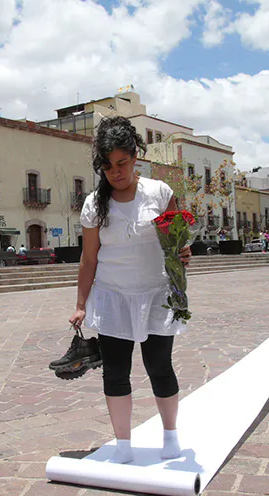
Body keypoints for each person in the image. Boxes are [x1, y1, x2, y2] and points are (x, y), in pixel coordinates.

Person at [69, 116, 192, 464]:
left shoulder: (159, 193)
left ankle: (170, 435)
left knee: (159, 366)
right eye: (108, 166)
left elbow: (175, 244)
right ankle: (123, 445)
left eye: (122, 163)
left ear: (135, 156)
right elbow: (88, 259)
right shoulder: (95, 204)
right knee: (116, 371)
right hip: (113, 297)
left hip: (156, 294)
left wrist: (184, 251)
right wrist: (80, 304)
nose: (115, 172)